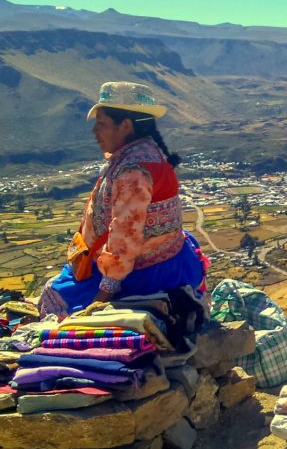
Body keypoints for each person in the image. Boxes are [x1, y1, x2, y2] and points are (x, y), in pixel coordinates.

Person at [39, 82, 205, 318]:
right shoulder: (143, 153)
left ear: (125, 125)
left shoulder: (133, 172)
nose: (95, 131)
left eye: (102, 124)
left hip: (142, 274)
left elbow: (125, 240)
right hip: (164, 257)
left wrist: (103, 296)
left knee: (54, 299)